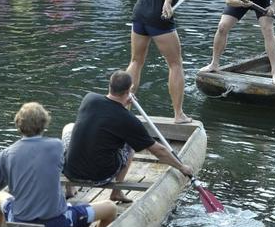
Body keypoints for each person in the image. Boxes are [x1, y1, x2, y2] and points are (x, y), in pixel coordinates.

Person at [0, 102, 117, 227]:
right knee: (110, 208)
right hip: (57, 224)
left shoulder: (7, 154)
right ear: (44, 123)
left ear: (18, 124)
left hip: (17, 222)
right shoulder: (57, 146)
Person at [62, 71, 194, 203]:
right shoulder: (128, 119)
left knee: (68, 128)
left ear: (110, 85)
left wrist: (125, 103)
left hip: (72, 172)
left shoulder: (89, 99)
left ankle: (69, 188)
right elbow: (158, 150)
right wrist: (182, 167)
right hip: (100, 177)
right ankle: (117, 192)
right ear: (129, 90)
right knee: (130, 145)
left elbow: (109, 112)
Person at [126, 0, 196, 125]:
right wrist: (167, 1)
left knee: (136, 61)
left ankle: (124, 108)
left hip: (139, 14)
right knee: (175, 64)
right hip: (158, 19)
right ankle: (179, 115)